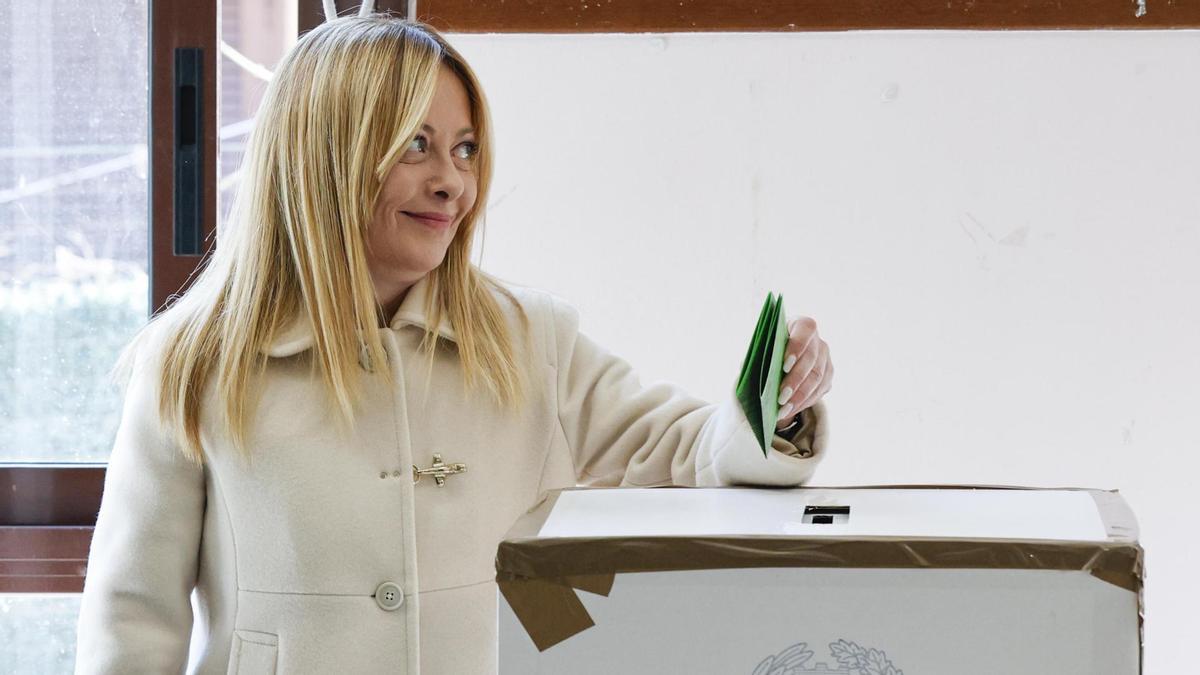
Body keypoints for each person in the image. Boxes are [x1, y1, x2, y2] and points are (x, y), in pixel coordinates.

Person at [74, 13, 833, 675]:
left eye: (466, 150)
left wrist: (776, 408)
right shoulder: (194, 362)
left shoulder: (530, 337)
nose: (452, 182)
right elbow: (133, 618)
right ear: (322, 154)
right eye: (417, 145)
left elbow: (687, 450)